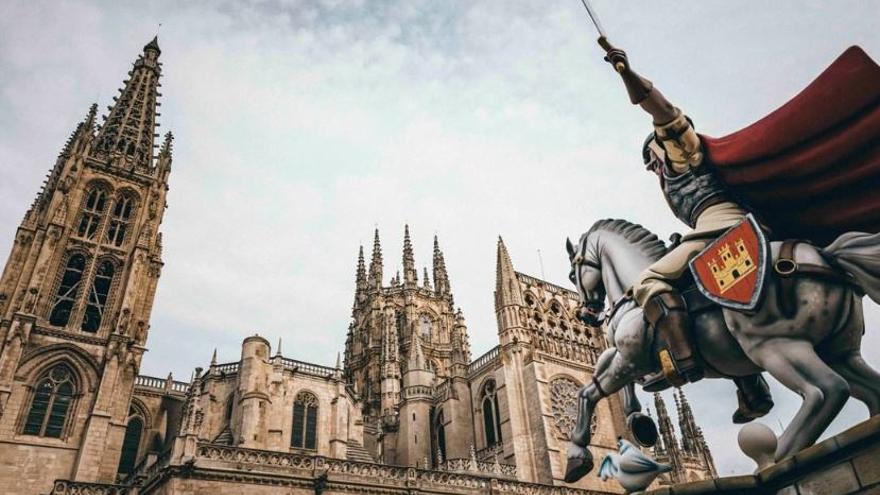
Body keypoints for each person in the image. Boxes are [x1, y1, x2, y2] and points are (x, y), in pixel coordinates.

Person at [603, 42, 773, 423]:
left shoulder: (682, 148)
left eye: (651, 157)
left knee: (648, 281)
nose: (651, 166)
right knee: (703, 298)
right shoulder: (676, 177)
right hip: (715, 228)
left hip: (723, 227)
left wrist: (626, 73)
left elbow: (661, 110)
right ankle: (750, 383)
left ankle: (681, 360)